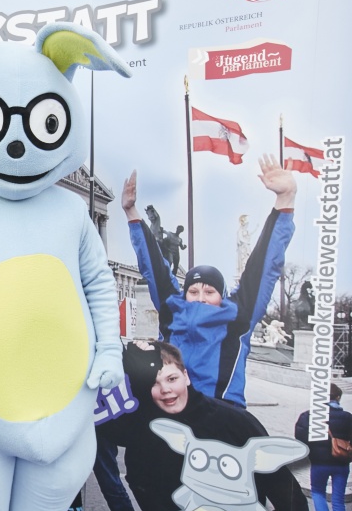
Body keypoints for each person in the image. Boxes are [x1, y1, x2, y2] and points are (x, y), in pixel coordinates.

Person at [121, 155, 296, 407]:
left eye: (209, 291)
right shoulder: (173, 310)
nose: (200, 297)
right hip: (172, 410)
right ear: (185, 294)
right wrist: (131, 213)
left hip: (221, 413)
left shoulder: (238, 316)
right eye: (193, 291)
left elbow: (264, 266)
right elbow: (154, 268)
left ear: (221, 296)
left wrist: (285, 199)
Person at [98, 340, 315, 511]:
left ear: (186, 376)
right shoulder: (145, 432)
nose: (166, 389)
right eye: (154, 383)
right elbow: (139, 481)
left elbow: (283, 488)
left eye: (172, 379)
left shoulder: (234, 421)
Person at [295, 383, 352, 511]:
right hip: (341, 462)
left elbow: (300, 436)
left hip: (319, 463)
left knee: (318, 492)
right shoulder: (348, 417)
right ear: (337, 398)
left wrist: (311, 451)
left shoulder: (310, 415)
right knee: (338, 499)